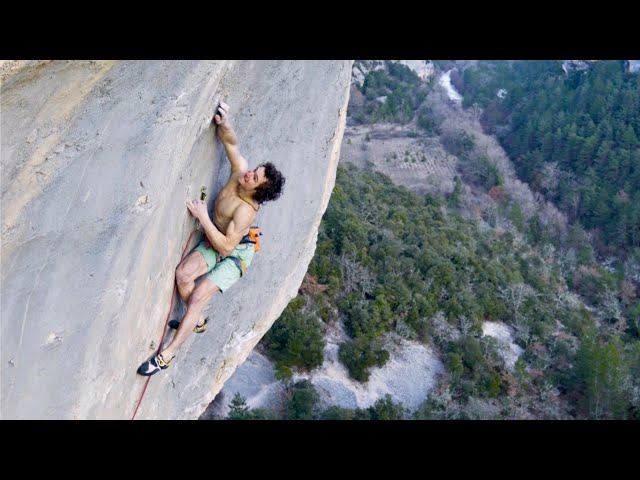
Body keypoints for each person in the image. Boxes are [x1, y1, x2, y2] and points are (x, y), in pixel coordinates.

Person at [137, 102, 285, 376]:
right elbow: (231, 143)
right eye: (256, 169)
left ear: (259, 191)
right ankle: (198, 321)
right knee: (183, 275)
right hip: (217, 240)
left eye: (256, 177)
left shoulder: (245, 212)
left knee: (197, 299)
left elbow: (227, 247)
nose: (250, 173)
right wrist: (224, 122)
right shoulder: (239, 173)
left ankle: (166, 356)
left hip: (235, 253)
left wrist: (203, 217)